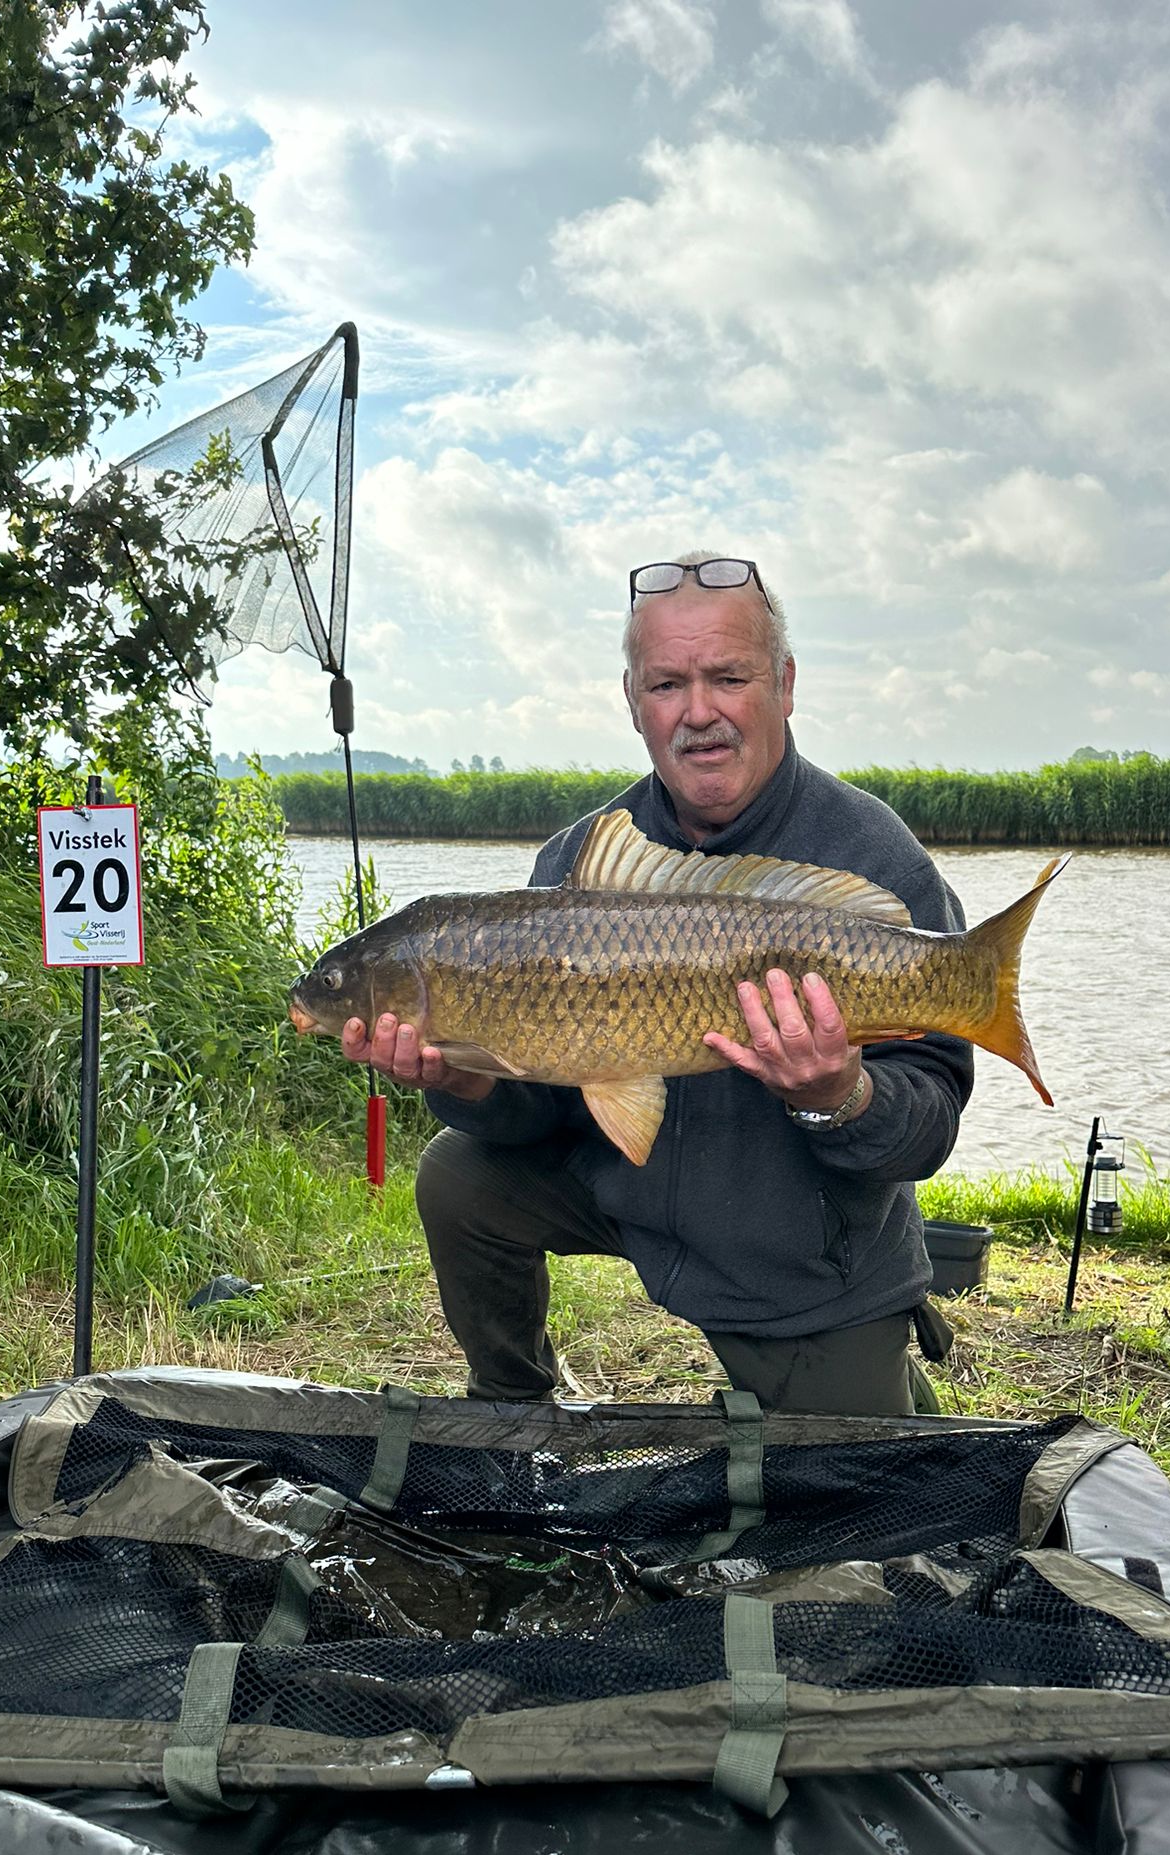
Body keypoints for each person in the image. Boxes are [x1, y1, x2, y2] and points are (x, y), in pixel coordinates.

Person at [341, 551, 972, 1415]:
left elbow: (927, 1129)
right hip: (630, 1193)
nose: (699, 712)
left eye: (729, 677)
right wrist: (469, 1079)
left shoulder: (870, 855)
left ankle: (882, 1363)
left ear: (785, 684)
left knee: (850, 1471)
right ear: (633, 701)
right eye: (668, 684)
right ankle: (509, 1409)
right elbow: (547, 1109)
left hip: (800, 1261)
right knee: (458, 1175)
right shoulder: (579, 862)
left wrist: (840, 1096)